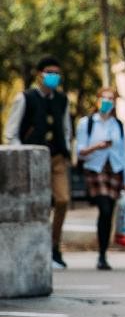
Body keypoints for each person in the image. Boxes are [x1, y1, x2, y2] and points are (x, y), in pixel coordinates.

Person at [5, 55, 72, 269]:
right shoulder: (25, 98)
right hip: (32, 160)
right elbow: (11, 133)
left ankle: (54, 247)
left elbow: (65, 127)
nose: (53, 77)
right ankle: (37, 248)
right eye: (49, 72)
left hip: (57, 158)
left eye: (57, 73)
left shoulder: (62, 100)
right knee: (38, 206)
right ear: (39, 75)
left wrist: (68, 151)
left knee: (62, 200)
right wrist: (21, 156)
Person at [76, 87, 125, 271]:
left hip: (114, 170)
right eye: (104, 98)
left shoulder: (117, 124)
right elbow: (80, 152)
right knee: (105, 209)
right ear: (98, 100)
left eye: (111, 99)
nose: (107, 102)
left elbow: (124, 153)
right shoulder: (87, 123)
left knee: (110, 211)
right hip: (95, 168)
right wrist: (96, 147)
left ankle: (103, 253)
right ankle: (101, 253)